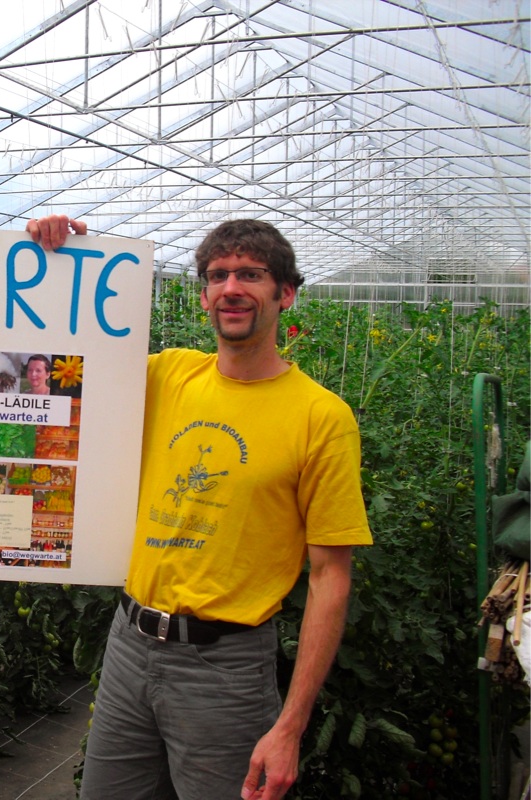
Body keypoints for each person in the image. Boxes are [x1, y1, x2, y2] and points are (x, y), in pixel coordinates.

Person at [27, 214, 372, 800]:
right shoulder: (167, 374)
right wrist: (64, 259)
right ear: (205, 295)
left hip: (225, 668)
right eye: (217, 275)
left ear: (286, 293)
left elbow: (331, 577)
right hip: (130, 642)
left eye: (251, 274)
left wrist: (290, 726)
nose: (231, 287)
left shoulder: (321, 417)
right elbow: (64, 362)